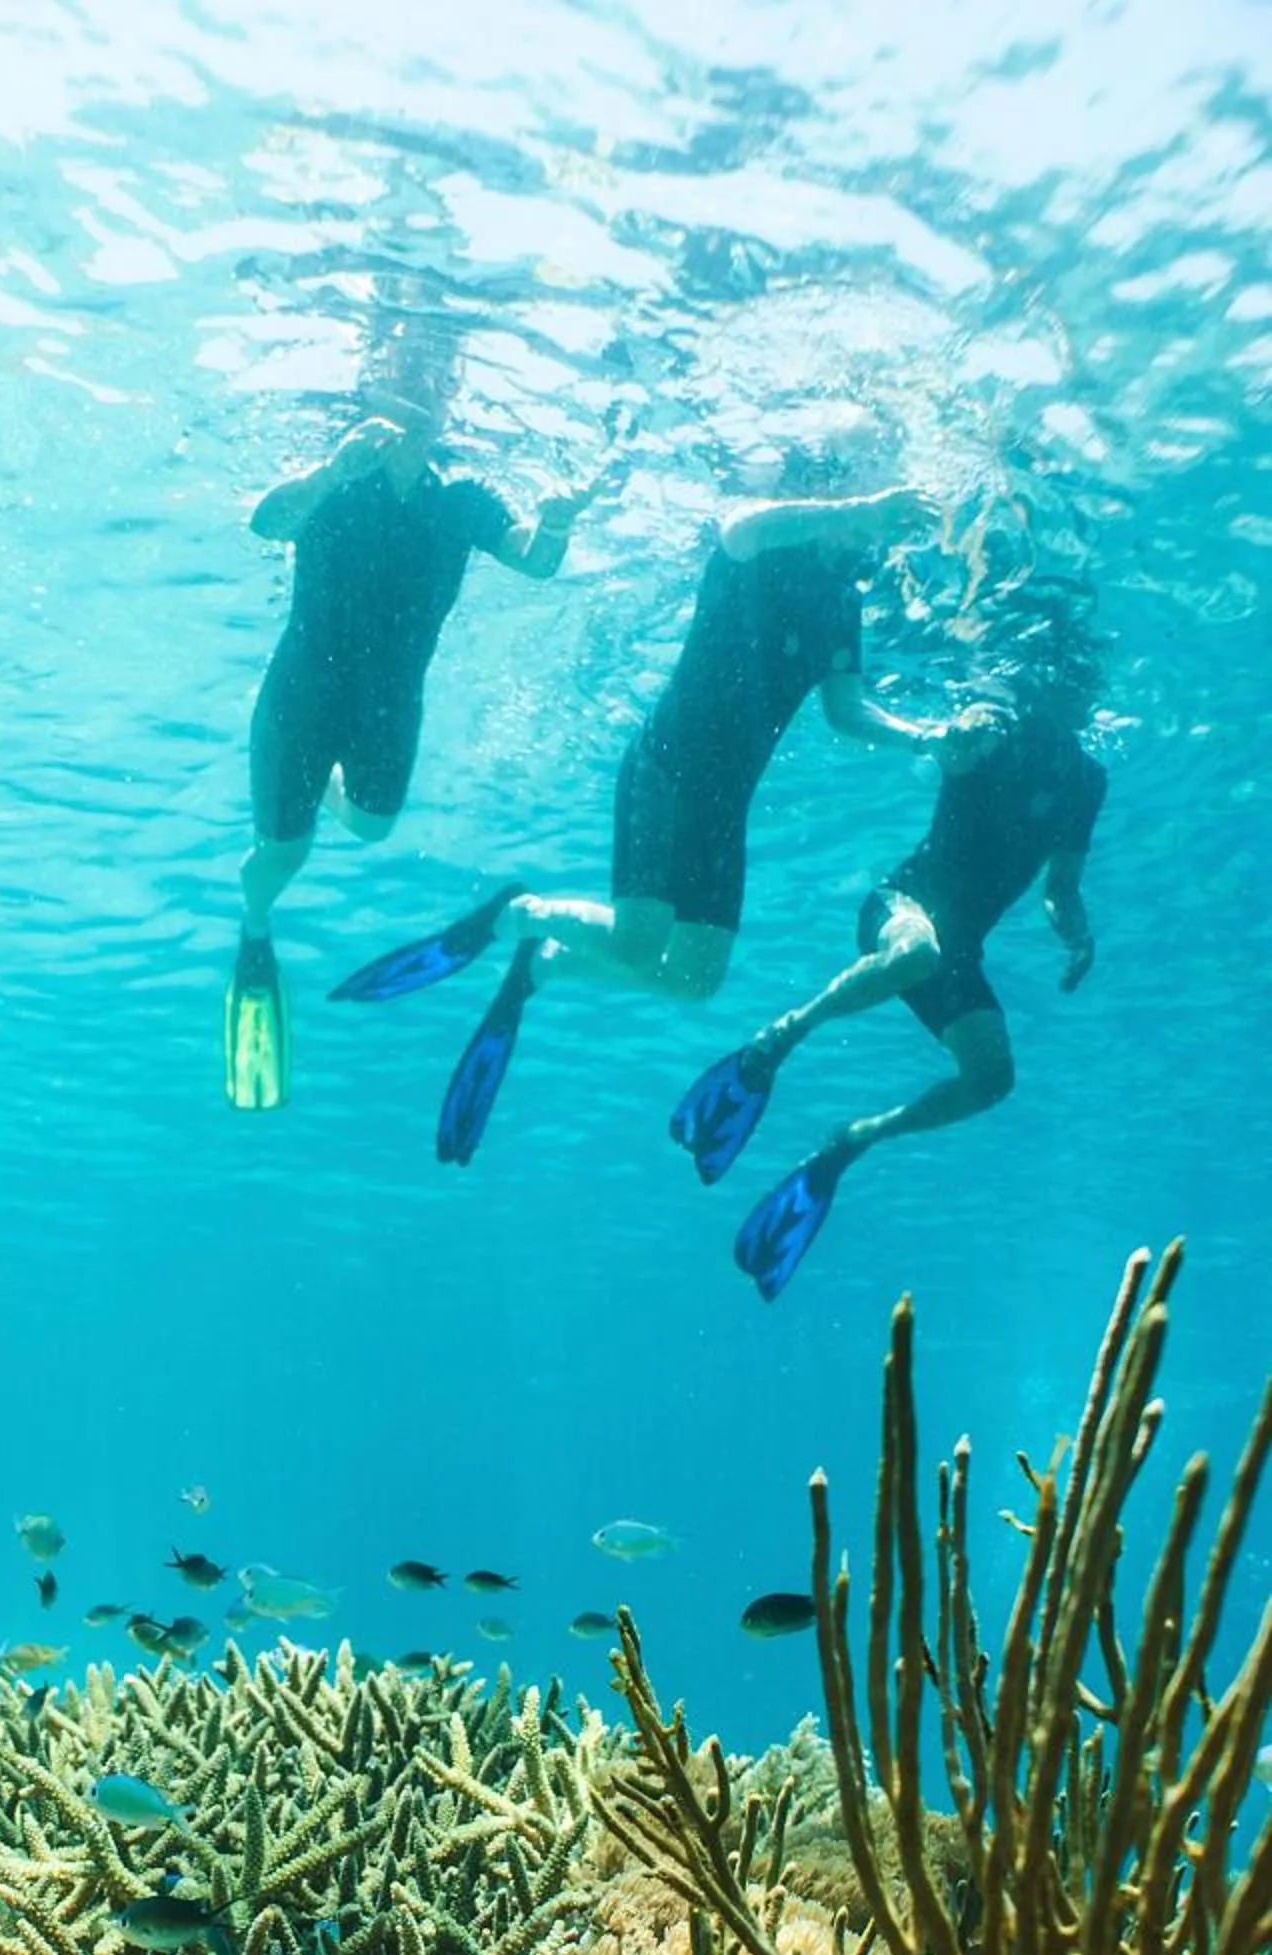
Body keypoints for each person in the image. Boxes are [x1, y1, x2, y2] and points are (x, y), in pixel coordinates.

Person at [334, 472, 1003, 1163]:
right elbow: (740, 525)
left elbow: (846, 710)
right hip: (666, 771)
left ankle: (545, 966)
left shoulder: (842, 603)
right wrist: (863, 503)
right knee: (634, 941)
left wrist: (929, 735)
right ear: (828, 500)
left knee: (695, 980)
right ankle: (517, 914)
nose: (874, 538)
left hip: (725, 803)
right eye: (866, 523)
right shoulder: (760, 550)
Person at [673, 622, 1107, 1299]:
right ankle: (777, 1040)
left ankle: (851, 1141)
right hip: (901, 906)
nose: (1088, 695)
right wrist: (957, 736)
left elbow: (1062, 888)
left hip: (959, 951)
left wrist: (1076, 935)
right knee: (918, 951)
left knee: (992, 1078)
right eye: (1079, 681)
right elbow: (958, 740)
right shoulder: (996, 720)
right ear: (1050, 683)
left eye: (1092, 684)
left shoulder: (1087, 780)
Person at [226, 351, 594, 1110]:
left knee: (370, 827)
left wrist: (556, 524)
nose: (423, 394)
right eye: (409, 378)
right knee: (282, 853)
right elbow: (265, 521)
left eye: (437, 382)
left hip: (391, 703)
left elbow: (534, 561)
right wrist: (330, 471)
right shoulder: (340, 473)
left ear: (451, 401)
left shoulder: (464, 496)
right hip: (300, 697)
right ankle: (255, 927)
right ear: (373, 385)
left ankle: (320, 791)